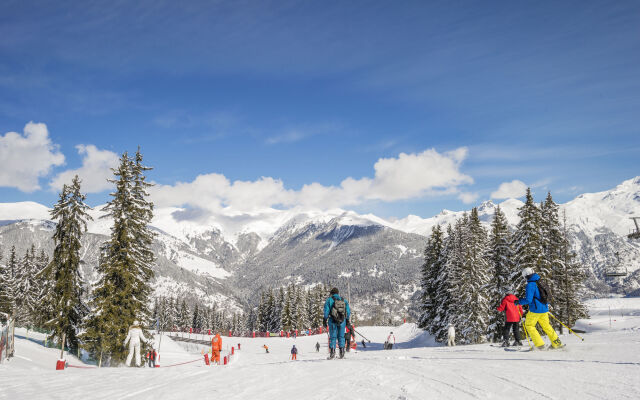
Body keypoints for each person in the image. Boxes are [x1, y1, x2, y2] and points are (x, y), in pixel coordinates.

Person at [515, 268, 563, 350]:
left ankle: (540, 345)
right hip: (544, 309)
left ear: (526, 276)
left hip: (535, 310)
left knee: (529, 325)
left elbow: (528, 300)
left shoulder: (530, 285)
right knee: (547, 326)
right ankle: (557, 344)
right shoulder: (541, 281)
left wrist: (518, 302)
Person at [323, 287, 351, 359]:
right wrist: (347, 320)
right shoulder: (344, 300)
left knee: (333, 337)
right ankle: (342, 353)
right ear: (338, 293)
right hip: (342, 321)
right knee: (341, 337)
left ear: (331, 293)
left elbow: (326, 311)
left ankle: (332, 353)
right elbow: (348, 311)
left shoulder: (329, 300)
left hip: (332, 321)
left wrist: (324, 320)